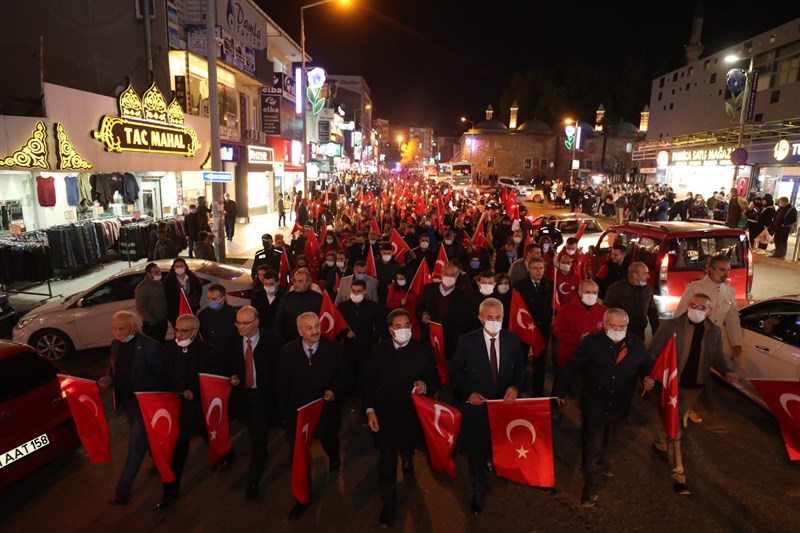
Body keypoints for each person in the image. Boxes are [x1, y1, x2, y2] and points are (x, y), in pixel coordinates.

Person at [554, 308, 655, 507]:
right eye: (614, 326)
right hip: (594, 405)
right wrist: (559, 391)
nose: (618, 330)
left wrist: (647, 377)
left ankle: (604, 461)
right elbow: (571, 368)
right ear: (605, 324)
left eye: (622, 326)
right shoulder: (591, 344)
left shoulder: (636, 345)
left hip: (620, 406)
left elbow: (646, 365)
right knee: (593, 445)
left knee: (610, 440)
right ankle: (590, 487)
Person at [649, 293, 739, 495]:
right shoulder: (670, 326)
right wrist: (647, 376)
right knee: (676, 427)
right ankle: (678, 475)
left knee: (673, 418)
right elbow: (653, 352)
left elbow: (716, 358)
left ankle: (658, 442)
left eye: (701, 307)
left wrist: (726, 371)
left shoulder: (714, 332)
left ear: (709, 311)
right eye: (692, 305)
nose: (696, 310)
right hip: (672, 385)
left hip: (694, 388)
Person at [364, 309, 440, 526]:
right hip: (385, 416)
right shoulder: (378, 351)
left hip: (412, 415)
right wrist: (370, 410)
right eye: (398, 326)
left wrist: (424, 385)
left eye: (407, 325)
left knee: (407, 445)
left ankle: (407, 457)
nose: (404, 329)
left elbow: (434, 378)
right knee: (386, 460)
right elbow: (368, 382)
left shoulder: (424, 350)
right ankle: (389, 503)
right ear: (390, 330)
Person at [450, 298, 526, 514]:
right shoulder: (467, 341)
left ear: (504, 317)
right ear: (481, 318)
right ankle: (478, 488)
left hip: (504, 405)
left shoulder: (512, 339)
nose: (494, 321)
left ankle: (494, 462)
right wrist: (468, 393)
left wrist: (515, 386)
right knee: (476, 450)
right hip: (477, 407)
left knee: (499, 441)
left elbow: (520, 368)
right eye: (489, 318)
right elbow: (455, 371)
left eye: (498, 318)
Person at [277, 312, 346, 519]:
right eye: (309, 328)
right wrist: (283, 413)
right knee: (298, 456)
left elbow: (345, 375)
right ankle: (302, 498)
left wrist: (334, 390)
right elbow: (281, 383)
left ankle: (334, 458)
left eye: (317, 326)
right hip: (297, 414)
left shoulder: (334, 349)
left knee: (328, 440)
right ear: (299, 331)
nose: (315, 331)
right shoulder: (288, 351)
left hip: (325, 409)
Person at [154, 313, 221, 511]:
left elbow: (214, 379)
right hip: (178, 412)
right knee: (177, 453)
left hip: (201, 410)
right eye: (176, 329)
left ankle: (226, 455)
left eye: (184, 331)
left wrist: (197, 393)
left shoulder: (209, 352)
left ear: (195, 331)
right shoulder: (167, 352)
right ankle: (170, 492)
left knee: (212, 438)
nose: (179, 334)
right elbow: (162, 378)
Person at [97, 311, 163, 505]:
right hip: (128, 403)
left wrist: (152, 399)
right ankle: (159, 462)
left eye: (121, 328)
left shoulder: (151, 347)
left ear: (133, 326)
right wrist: (108, 378)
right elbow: (114, 368)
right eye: (114, 328)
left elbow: (161, 375)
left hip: (144, 404)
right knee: (147, 437)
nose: (117, 332)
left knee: (135, 446)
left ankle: (122, 491)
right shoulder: (116, 344)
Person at [223, 306, 283, 499]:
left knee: (258, 436)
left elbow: (281, 372)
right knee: (252, 430)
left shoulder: (273, 341)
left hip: (263, 397)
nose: (240, 327)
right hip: (241, 396)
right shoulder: (231, 341)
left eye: (245, 323)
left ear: (256, 323)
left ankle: (253, 478)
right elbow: (226, 365)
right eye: (238, 323)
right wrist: (231, 376)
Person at [337, 279, 385, 408]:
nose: (355, 293)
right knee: (349, 373)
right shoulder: (343, 306)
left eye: (359, 291)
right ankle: (352, 399)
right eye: (353, 291)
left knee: (365, 375)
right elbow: (338, 325)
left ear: (364, 292)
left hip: (367, 348)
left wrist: (371, 339)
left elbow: (380, 327)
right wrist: (344, 334)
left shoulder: (373, 307)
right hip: (349, 348)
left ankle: (365, 401)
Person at [512, 258, 554, 397]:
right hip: (524, 329)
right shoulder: (519, 286)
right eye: (535, 268)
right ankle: (519, 388)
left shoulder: (550, 285)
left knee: (540, 362)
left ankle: (538, 393)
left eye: (541, 268)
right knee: (520, 360)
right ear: (528, 269)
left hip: (542, 329)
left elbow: (553, 306)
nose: (538, 271)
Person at [552, 279, 608, 374]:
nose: (591, 295)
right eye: (588, 292)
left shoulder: (604, 311)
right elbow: (558, 332)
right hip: (570, 357)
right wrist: (579, 338)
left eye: (594, 292)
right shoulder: (565, 310)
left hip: (594, 359)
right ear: (579, 292)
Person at [416, 263, 468, 361]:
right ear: (441, 275)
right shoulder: (428, 289)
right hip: (429, 339)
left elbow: (464, 320)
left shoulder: (463, 296)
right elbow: (419, 307)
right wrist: (423, 314)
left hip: (451, 343)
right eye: (446, 274)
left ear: (457, 278)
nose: (449, 277)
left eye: (452, 275)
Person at [603, 261, 659, 340]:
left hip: (639, 333)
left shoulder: (648, 289)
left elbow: (652, 312)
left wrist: (656, 333)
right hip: (619, 332)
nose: (648, 276)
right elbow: (605, 309)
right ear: (634, 275)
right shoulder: (615, 288)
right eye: (645, 274)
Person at [272, 268, 324, 342]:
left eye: (300, 281)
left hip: (312, 340)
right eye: (295, 281)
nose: (296, 284)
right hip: (289, 341)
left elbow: (323, 321)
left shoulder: (318, 298)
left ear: (308, 282)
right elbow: (278, 322)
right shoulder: (286, 298)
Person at [198, 283, 240, 351]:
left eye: (214, 299)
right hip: (209, 352)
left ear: (223, 298)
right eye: (208, 299)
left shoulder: (233, 314)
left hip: (227, 352)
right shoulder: (203, 315)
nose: (210, 301)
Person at [163, 258, 203, 328]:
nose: (179, 268)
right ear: (174, 268)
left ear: (185, 267)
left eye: (181, 266)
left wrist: (195, 301)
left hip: (191, 310)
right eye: (177, 266)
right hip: (176, 312)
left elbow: (199, 290)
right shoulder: (169, 281)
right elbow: (167, 297)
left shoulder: (192, 278)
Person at [135, 262, 168, 343]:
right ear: (149, 274)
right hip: (152, 325)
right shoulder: (143, 288)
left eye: (159, 271)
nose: (159, 274)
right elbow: (141, 307)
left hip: (162, 322)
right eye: (156, 272)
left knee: (161, 343)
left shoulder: (158, 283)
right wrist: (152, 321)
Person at [385, 267, 421, 339]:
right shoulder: (393, 287)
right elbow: (388, 304)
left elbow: (420, 302)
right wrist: (399, 303)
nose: (399, 280)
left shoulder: (414, 287)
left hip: (414, 321)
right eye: (398, 278)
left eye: (401, 279)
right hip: (398, 320)